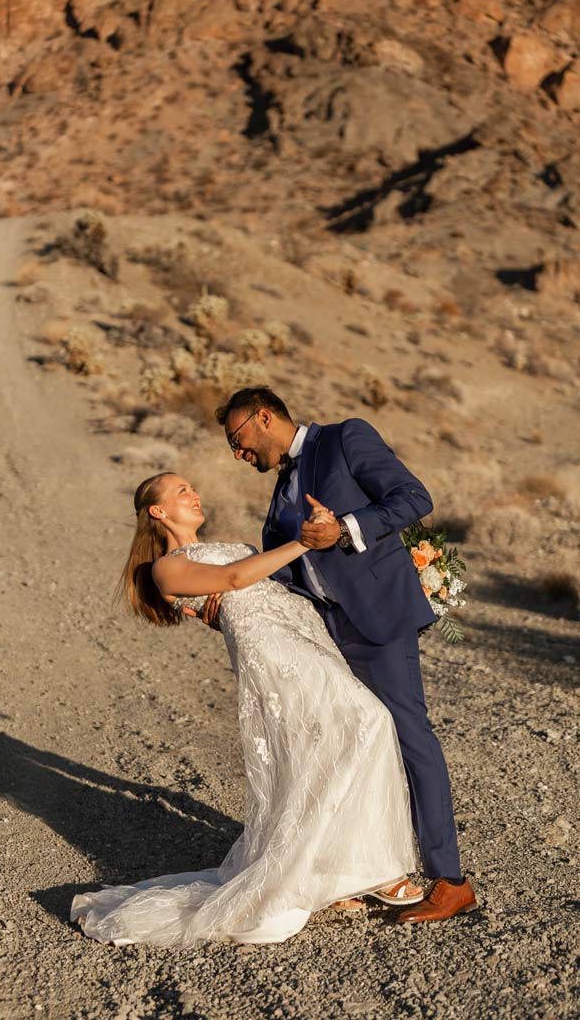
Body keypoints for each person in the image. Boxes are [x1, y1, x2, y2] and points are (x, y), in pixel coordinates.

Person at [70, 471, 422, 947]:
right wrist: (304, 541)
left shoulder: (215, 545)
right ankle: (374, 873)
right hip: (275, 655)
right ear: (157, 511)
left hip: (302, 638)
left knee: (324, 751)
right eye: (180, 491)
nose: (194, 493)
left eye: (192, 486)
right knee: (368, 722)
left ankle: (333, 874)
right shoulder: (166, 568)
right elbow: (236, 578)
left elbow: (250, 587)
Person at [205, 387, 477, 924]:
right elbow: (287, 568)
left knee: (408, 735)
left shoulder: (345, 437)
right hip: (322, 633)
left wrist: (345, 529)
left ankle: (450, 880)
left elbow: (412, 498)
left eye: (237, 440)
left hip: (375, 622)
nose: (237, 454)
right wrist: (230, 596)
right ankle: (359, 868)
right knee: (346, 744)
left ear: (264, 417)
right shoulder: (282, 485)